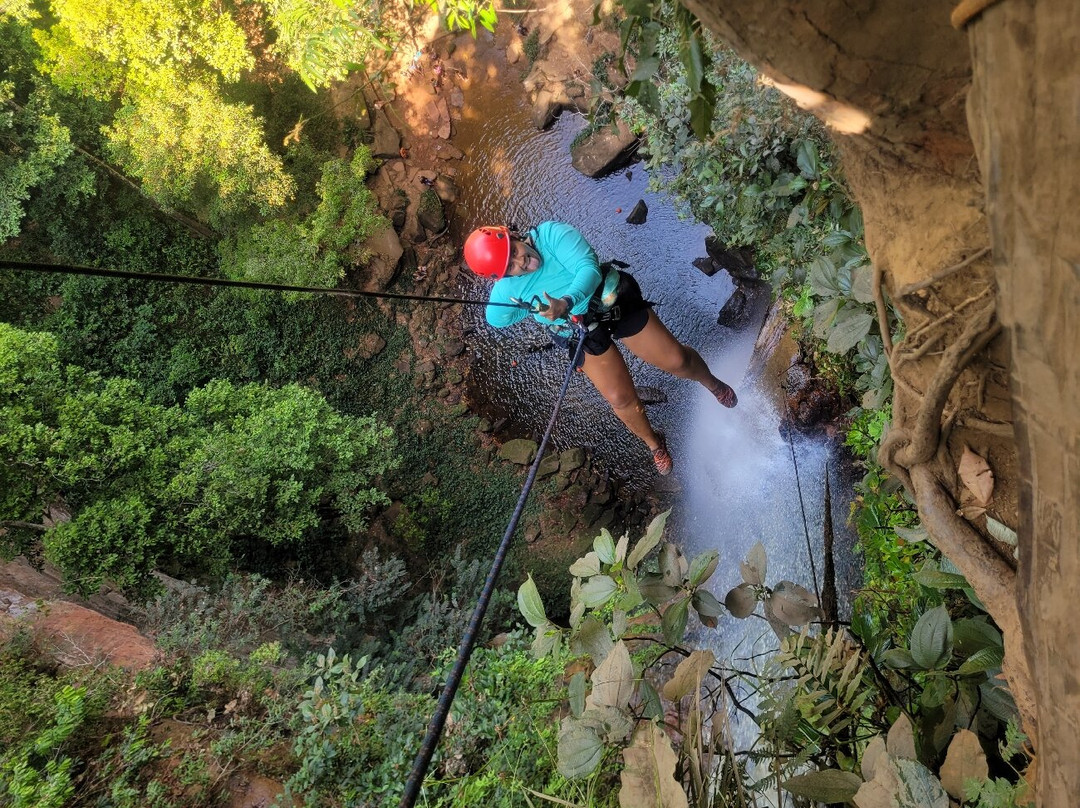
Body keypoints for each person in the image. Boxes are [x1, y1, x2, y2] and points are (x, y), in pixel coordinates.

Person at [463, 221, 738, 475]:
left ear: (512, 235)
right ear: (500, 278)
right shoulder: (506, 289)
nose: (520, 261)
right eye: (510, 266)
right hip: (578, 332)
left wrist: (566, 303)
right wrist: (530, 308)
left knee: (675, 360)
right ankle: (654, 444)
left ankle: (712, 383)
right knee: (619, 398)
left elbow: (588, 268)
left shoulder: (551, 235)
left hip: (609, 301)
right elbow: (496, 318)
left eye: (514, 250)